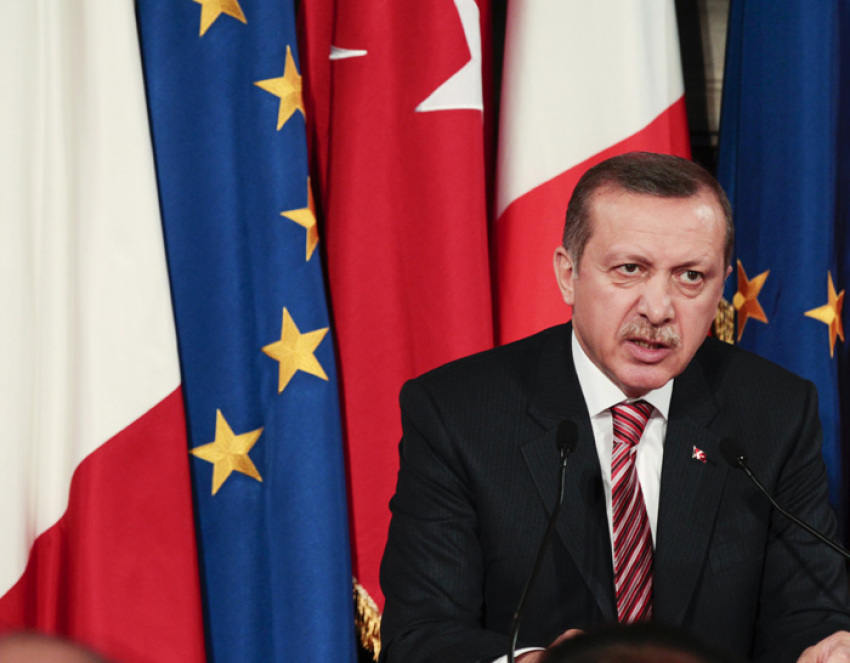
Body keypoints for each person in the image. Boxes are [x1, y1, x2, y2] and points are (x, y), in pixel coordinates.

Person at [379, 152, 850, 663]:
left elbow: (809, 614)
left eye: (691, 276)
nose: (658, 307)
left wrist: (825, 648)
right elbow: (421, 636)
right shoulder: (459, 413)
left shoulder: (774, 412)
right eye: (630, 269)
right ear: (568, 274)